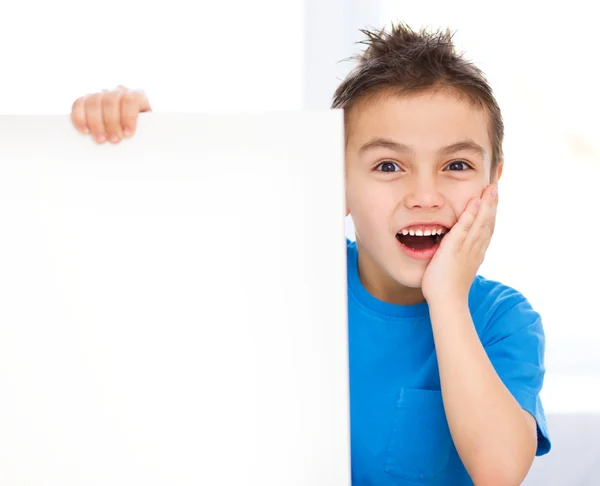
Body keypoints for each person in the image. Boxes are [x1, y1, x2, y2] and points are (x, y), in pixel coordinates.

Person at [70, 22, 551, 485]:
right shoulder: (294, 273)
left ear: (492, 184)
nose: (424, 194)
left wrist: (447, 296)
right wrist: (134, 142)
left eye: (456, 164)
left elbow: (499, 471)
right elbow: (169, 252)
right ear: (336, 182)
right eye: (388, 165)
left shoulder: (504, 319)